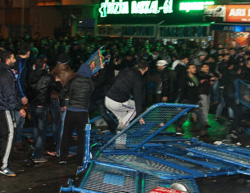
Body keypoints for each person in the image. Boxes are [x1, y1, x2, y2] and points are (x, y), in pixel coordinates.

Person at [59, 63, 94, 169]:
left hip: (71, 111)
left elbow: (62, 93)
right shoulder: (91, 83)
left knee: (66, 135)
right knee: (82, 138)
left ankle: (63, 158)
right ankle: (79, 162)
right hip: (82, 112)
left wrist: (62, 105)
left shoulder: (73, 81)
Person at [27, 57, 62, 163]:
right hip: (42, 106)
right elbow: (58, 89)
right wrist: (58, 81)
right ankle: (37, 156)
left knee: (36, 128)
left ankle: (36, 148)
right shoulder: (48, 77)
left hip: (32, 105)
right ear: (44, 65)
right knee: (42, 131)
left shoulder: (30, 75)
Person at [0, 50, 26, 176]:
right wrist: (19, 107)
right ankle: (4, 166)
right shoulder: (5, 74)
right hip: (5, 108)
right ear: (7, 60)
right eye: (13, 58)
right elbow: (10, 94)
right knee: (9, 134)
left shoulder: (4, 72)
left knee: (4, 135)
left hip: (3, 107)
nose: (15, 60)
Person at [105, 59, 148, 131]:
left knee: (124, 117)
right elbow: (138, 97)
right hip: (117, 102)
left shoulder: (126, 70)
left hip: (107, 99)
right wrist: (140, 115)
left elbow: (114, 80)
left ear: (137, 66)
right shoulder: (138, 80)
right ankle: (122, 125)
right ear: (146, 69)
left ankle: (120, 140)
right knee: (135, 108)